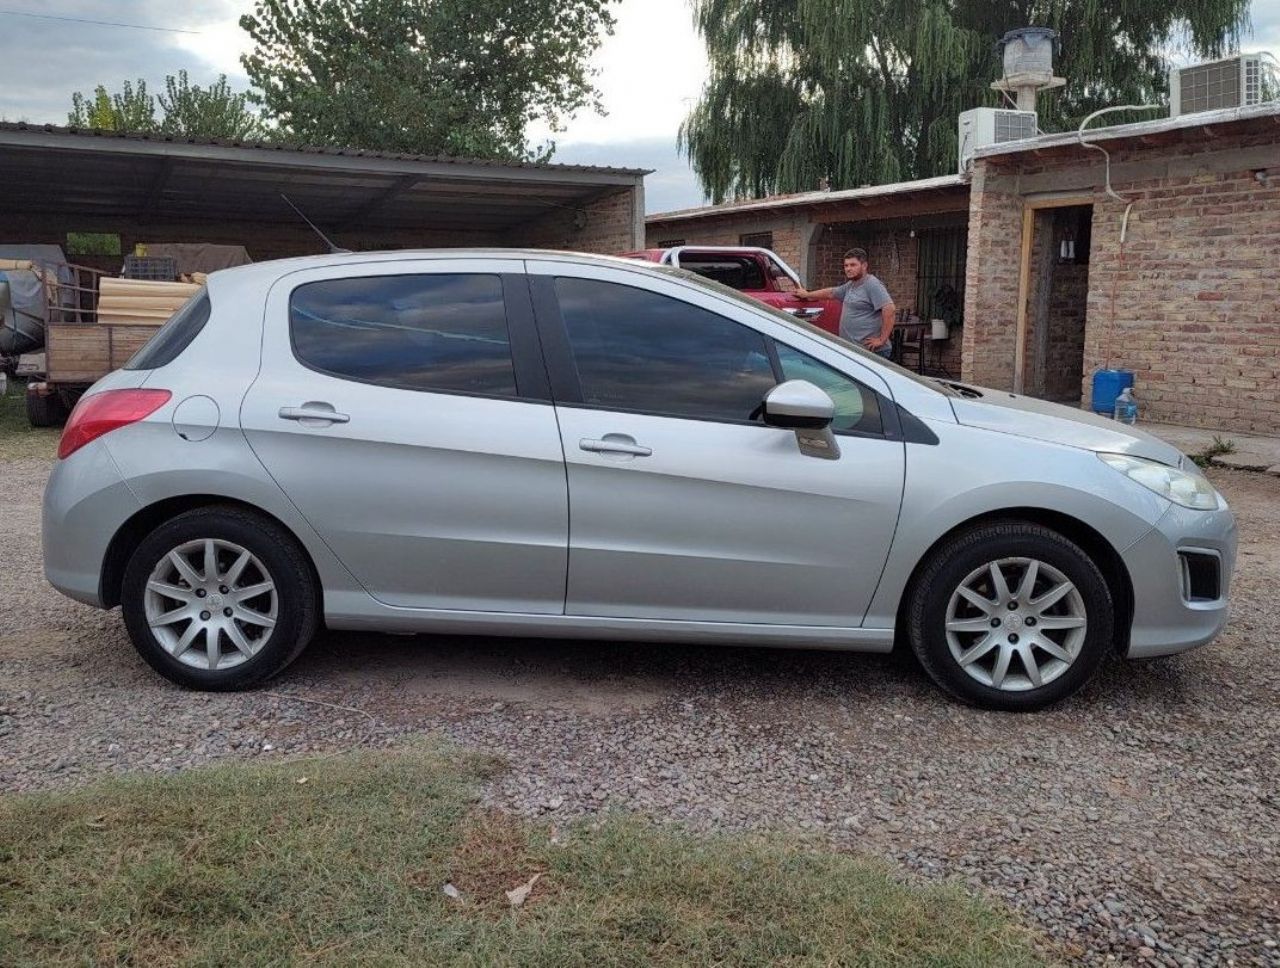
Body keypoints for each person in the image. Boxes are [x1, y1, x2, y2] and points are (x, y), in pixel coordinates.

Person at [794, 248, 897, 359]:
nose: (848, 269)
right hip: (855, 351)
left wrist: (882, 340)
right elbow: (831, 293)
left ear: (864, 265)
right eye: (846, 265)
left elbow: (890, 309)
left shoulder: (872, 284)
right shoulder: (851, 285)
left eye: (853, 265)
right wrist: (807, 295)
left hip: (871, 353)